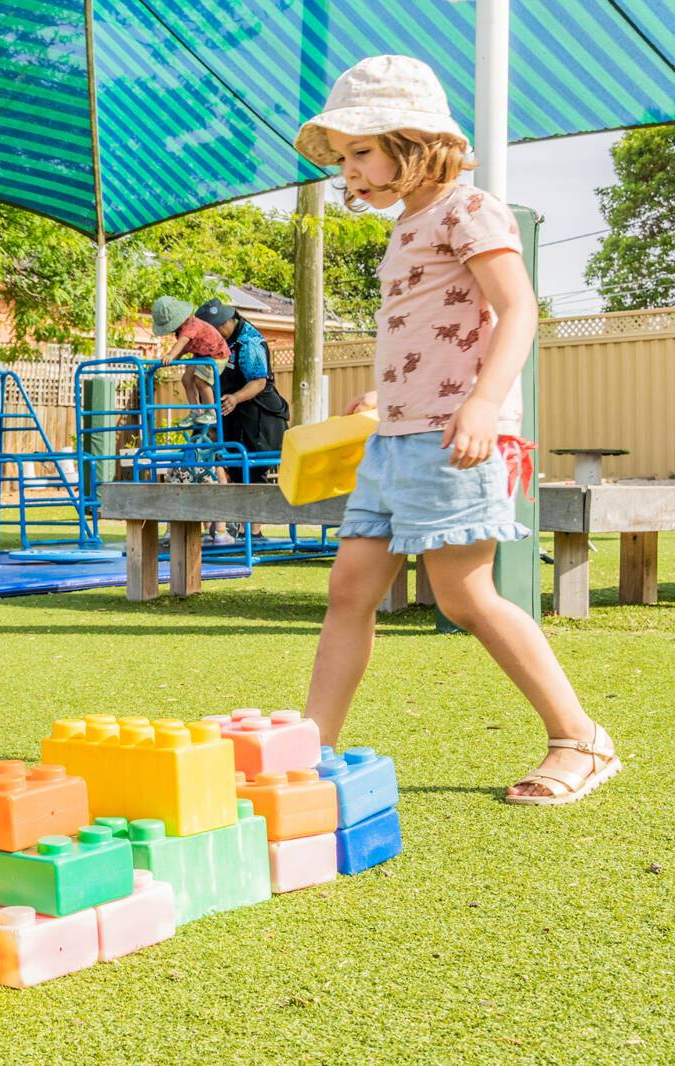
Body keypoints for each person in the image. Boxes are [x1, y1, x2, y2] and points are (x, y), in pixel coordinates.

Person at [295, 55, 617, 806]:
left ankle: (581, 738)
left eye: (362, 152)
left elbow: (519, 309)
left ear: (414, 139)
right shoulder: (409, 227)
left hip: (454, 435)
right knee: (349, 590)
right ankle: (312, 747)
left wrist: (480, 405)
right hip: (395, 438)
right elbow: (427, 332)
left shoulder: (468, 209)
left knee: (465, 596)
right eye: (344, 159)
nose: (353, 173)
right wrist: (381, 396)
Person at [195, 298, 290, 483]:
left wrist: (236, 398)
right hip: (235, 418)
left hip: (258, 419)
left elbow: (258, 382)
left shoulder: (248, 343)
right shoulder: (224, 342)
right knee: (237, 471)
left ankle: (256, 510)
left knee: (252, 472)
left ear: (223, 323)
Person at [152, 296, 231, 420]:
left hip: (217, 355)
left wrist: (171, 355)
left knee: (201, 381)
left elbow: (182, 342)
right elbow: (184, 348)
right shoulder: (181, 331)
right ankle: (195, 411)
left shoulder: (190, 325)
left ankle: (211, 412)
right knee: (186, 379)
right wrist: (172, 360)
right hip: (201, 355)